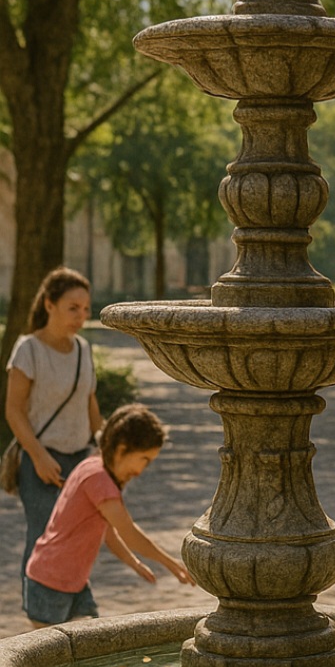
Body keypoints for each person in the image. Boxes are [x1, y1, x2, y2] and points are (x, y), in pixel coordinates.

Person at [24, 403, 194, 627]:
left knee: (91, 647)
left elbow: (110, 533)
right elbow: (129, 532)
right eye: (144, 459)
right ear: (122, 449)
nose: (142, 470)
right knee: (53, 657)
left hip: (72, 583)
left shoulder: (92, 466)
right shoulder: (99, 479)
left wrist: (134, 563)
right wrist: (171, 564)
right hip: (51, 585)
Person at [5, 267, 104, 587]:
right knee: (43, 537)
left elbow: (89, 403)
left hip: (80, 461)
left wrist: (103, 448)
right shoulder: (28, 349)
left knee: (78, 538)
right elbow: (13, 410)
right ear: (49, 305)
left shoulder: (83, 350)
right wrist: (38, 456)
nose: (81, 316)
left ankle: (75, 610)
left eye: (86, 309)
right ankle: (38, 616)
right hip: (41, 462)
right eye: (73, 308)